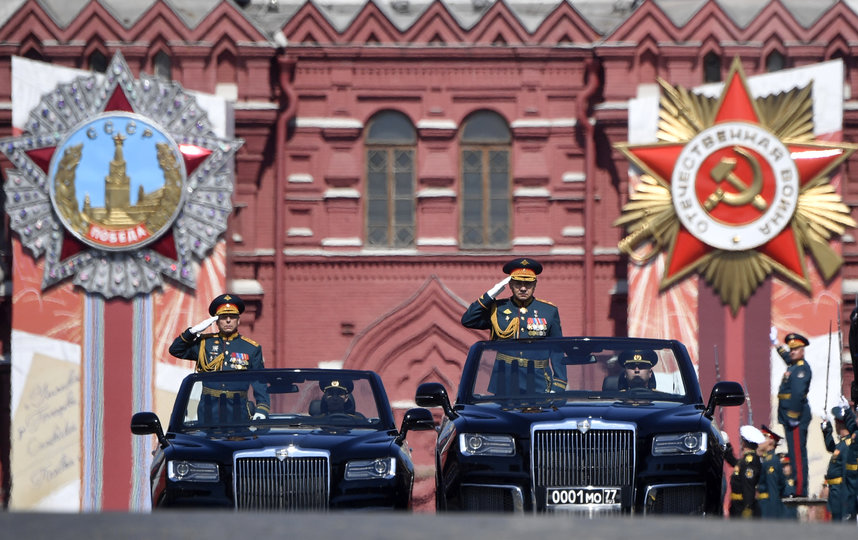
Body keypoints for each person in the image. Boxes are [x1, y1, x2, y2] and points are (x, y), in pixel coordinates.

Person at [462, 257, 565, 393]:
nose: (523, 288)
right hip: (505, 379)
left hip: (538, 380)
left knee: (538, 414)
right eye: (518, 283)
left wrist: (559, 383)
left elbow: (557, 350)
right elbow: (468, 320)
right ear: (510, 285)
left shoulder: (548, 311)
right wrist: (490, 295)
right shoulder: (497, 308)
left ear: (535, 285)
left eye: (528, 284)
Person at [169, 293, 270, 423]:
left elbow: (259, 382)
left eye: (232, 317)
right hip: (209, 409)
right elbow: (175, 350)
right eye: (223, 317)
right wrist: (192, 332)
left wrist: (262, 408)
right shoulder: (205, 343)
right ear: (216, 321)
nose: (228, 320)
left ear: (238, 320)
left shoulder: (251, 348)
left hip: (238, 410)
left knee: (239, 442)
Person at [769, 328, 812, 497]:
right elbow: (787, 357)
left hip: (796, 417)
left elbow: (797, 395)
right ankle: (798, 486)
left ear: (802, 351)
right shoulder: (794, 365)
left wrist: (793, 417)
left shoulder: (801, 370)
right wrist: (776, 344)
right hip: (789, 417)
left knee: (797, 454)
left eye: (795, 349)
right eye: (791, 349)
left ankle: (800, 489)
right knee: (794, 453)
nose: (792, 352)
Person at [820, 400, 858, 521]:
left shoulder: (847, 445)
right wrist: (827, 431)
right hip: (836, 493)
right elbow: (832, 448)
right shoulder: (843, 444)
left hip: (842, 493)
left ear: (839, 423)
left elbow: (847, 473)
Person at [728, 425, 764, 518]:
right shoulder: (745, 461)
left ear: (743, 443)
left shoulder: (750, 461)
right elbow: (737, 465)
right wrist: (727, 452)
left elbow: (748, 485)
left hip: (742, 506)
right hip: (737, 505)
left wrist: (748, 507)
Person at [756, 425, 791, 519]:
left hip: (768, 508)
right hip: (765, 505)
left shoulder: (771, 461)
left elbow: (773, 489)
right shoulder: (767, 460)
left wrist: (772, 515)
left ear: (770, 442)